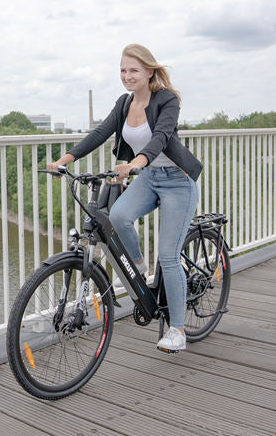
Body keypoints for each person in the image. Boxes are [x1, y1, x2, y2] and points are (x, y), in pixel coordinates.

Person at [46, 44, 203, 353]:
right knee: (116, 217)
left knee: (169, 257)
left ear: (149, 72)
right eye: (122, 70)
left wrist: (135, 164)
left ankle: (178, 330)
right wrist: (65, 159)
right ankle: (139, 267)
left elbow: (160, 137)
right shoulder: (124, 103)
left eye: (133, 70)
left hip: (177, 183)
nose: (127, 76)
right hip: (149, 178)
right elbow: (100, 133)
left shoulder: (167, 100)